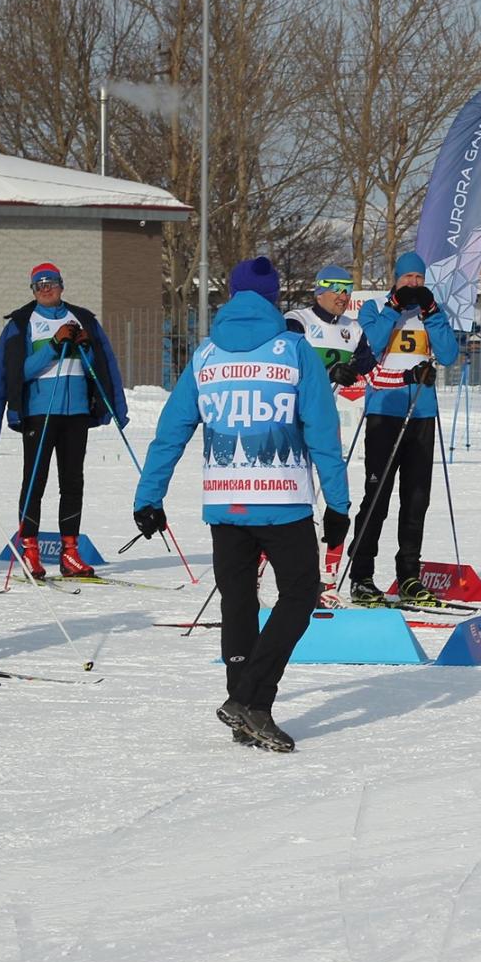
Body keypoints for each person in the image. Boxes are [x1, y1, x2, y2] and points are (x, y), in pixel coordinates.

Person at [134, 256, 350, 752]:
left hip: (224, 502)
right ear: (275, 299)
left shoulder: (206, 355)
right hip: (284, 502)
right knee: (299, 596)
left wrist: (149, 497)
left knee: (239, 602)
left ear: (230, 297)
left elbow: (171, 431)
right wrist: (338, 506)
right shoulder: (295, 351)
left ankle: (240, 704)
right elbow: (323, 435)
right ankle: (254, 699)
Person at [0, 262, 130, 579]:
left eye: (51, 282)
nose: (46, 288)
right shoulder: (23, 323)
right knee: (35, 481)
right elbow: (14, 373)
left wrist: (85, 349)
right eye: (39, 284)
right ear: (32, 290)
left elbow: (104, 366)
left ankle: (70, 552)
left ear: (62, 285)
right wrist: (53, 346)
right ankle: (30, 550)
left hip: (75, 413)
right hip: (38, 412)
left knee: (73, 483)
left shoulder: (82, 318)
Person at [348, 251, 458, 607]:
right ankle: (362, 575)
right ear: (395, 279)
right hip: (384, 410)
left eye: (419, 280)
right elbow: (374, 343)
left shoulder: (431, 311)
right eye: (407, 279)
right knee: (377, 498)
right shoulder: (375, 307)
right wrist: (395, 307)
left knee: (416, 500)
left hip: (422, 413)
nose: (413, 285)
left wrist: (432, 314)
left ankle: (409, 575)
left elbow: (449, 354)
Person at [284, 263, 375, 590]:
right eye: (336, 288)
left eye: (347, 289)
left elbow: (371, 367)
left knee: (337, 499)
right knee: (287, 500)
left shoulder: (354, 330)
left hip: (324, 424)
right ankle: (256, 579)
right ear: (319, 289)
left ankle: (328, 581)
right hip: (290, 423)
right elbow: (287, 369)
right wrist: (328, 374)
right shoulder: (298, 321)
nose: (343, 295)